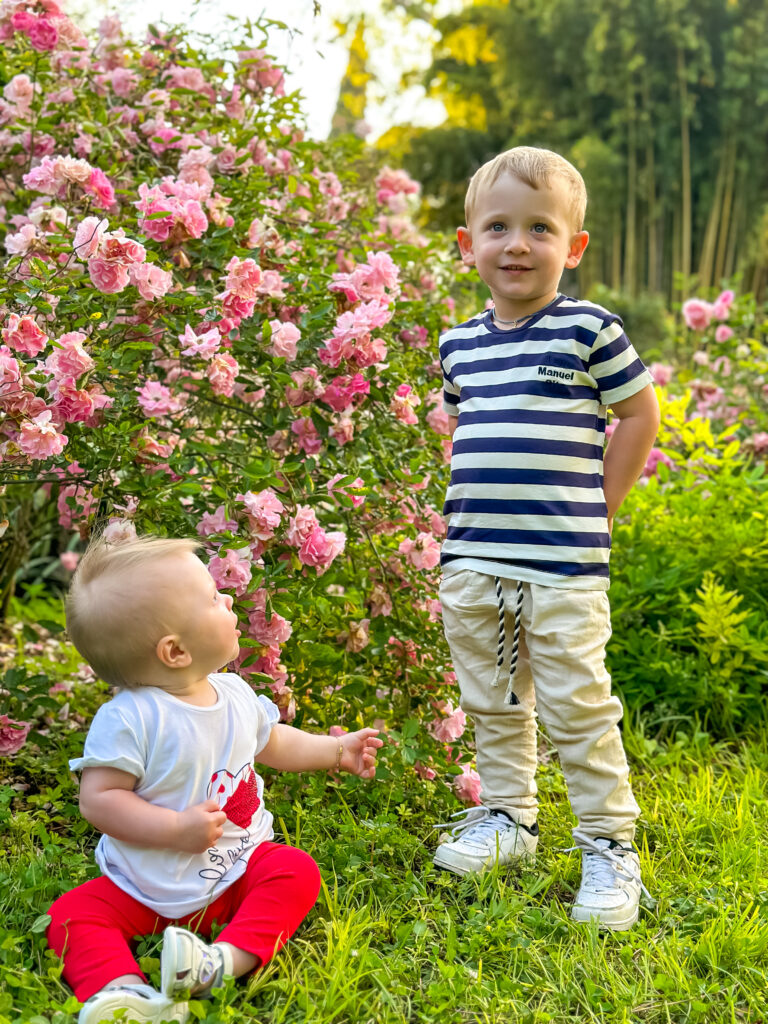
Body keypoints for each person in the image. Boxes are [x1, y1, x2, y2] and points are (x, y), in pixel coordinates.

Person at [434, 146, 659, 931]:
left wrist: (602, 506)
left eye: (540, 228)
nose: (518, 244)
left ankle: (608, 844)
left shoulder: (588, 330)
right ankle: (509, 820)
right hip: (471, 560)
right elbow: (463, 426)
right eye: (498, 227)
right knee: (492, 700)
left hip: (561, 563)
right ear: (469, 245)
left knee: (577, 704)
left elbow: (638, 414)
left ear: (574, 246)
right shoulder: (457, 346)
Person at [47, 535, 383, 1024]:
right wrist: (173, 829)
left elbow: (274, 743)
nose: (227, 599)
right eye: (211, 597)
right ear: (175, 651)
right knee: (72, 915)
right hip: (141, 887)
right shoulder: (130, 718)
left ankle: (218, 964)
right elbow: (99, 800)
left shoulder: (234, 693)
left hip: (236, 870)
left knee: (294, 870)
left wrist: (334, 750)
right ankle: (120, 993)